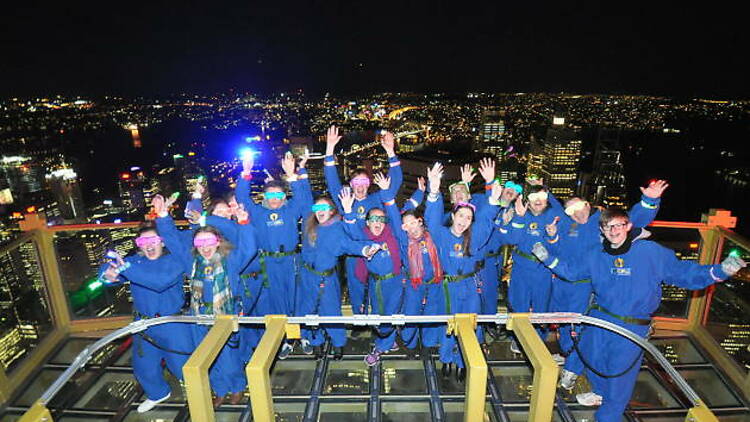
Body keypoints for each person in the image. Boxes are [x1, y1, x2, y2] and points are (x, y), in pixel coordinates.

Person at [531, 208, 746, 422]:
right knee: (592, 358)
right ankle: (600, 392)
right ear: (602, 230)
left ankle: (608, 416)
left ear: (628, 226)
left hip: (631, 325)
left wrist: (720, 271)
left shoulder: (650, 252)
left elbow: (684, 274)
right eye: (608, 226)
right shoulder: (596, 254)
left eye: (618, 225)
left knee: (620, 376)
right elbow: (572, 271)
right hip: (600, 318)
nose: (613, 230)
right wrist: (547, 258)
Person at [549, 180, 668, 388]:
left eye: (578, 207)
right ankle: (569, 357)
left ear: (587, 204)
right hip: (567, 281)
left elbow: (636, 218)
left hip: (591, 286)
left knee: (584, 330)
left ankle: (574, 370)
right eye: (570, 211)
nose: (575, 213)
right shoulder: (570, 224)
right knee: (567, 323)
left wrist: (650, 199)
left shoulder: (603, 222)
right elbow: (558, 218)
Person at [154, 195, 257, 408]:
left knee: (229, 356)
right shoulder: (191, 262)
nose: (205, 247)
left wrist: (245, 223)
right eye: (200, 243)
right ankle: (219, 389)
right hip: (199, 316)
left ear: (218, 242)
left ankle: (237, 386)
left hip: (225, 315)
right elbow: (172, 240)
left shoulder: (230, 260)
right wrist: (163, 216)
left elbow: (249, 249)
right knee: (209, 356)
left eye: (209, 242)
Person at [99, 224, 193, 413]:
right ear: (138, 244)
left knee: (183, 364)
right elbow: (108, 270)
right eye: (143, 242)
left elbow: (159, 282)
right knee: (144, 365)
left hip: (171, 323)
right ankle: (157, 393)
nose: (149, 245)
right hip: (143, 324)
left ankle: (198, 392)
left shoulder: (174, 261)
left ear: (162, 242)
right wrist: (107, 274)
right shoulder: (135, 262)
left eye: (153, 240)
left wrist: (125, 268)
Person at [424, 162, 502, 380]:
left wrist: (492, 193)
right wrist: (433, 190)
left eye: (468, 218)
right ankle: (447, 359)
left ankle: (462, 361)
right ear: (454, 215)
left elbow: (486, 220)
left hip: (469, 287)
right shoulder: (441, 234)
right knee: (448, 324)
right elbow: (430, 219)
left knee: (469, 324)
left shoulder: (474, 238)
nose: (463, 221)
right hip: (447, 287)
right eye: (461, 216)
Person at [234, 151, 313, 358]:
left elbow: (304, 203)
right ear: (265, 197)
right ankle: (286, 338)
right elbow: (242, 198)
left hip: (292, 260)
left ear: (284, 196)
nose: (275, 200)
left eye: (279, 195)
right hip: (269, 262)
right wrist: (246, 173)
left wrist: (291, 175)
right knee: (277, 301)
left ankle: (302, 335)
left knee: (298, 298)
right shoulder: (258, 213)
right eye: (271, 196)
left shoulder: (290, 210)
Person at [324, 126, 403, 318]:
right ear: (350, 185)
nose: (360, 187)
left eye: (364, 183)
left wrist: (391, 152)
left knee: (379, 287)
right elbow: (331, 180)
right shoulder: (344, 199)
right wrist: (329, 149)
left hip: (377, 249)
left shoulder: (376, 200)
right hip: (353, 253)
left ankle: (380, 321)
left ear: (369, 185)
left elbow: (395, 183)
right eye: (356, 183)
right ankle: (360, 318)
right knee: (356, 286)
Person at [297, 195, 382, 359]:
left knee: (331, 311)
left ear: (332, 211)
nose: (320, 212)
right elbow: (303, 193)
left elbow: (350, 244)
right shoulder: (310, 226)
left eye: (324, 208)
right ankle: (317, 342)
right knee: (309, 311)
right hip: (308, 276)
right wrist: (298, 174)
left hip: (326, 279)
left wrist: (366, 249)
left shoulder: (337, 229)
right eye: (316, 209)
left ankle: (338, 344)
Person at [376, 174, 445, 357]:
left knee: (432, 314)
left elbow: (434, 213)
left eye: (413, 222)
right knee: (411, 314)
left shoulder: (433, 235)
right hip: (414, 284)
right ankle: (410, 343)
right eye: (406, 225)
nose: (411, 227)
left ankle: (429, 345)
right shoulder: (404, 241)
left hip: (435, 283)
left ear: (421, 221)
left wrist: (434, 192)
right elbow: (392, 215)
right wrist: (385, 192)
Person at [342, 183, 406, 366]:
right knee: (378, 314)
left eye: (381, 219)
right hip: (376, 284)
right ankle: (386, 340)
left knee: (393, 312)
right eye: (373, 219)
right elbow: (352, 232)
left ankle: (380, 347)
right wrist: (348, 211)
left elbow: (394, 213)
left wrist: (386, 192)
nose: (377, 223)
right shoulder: (364, 236)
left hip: (395, 282)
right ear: (367, 222)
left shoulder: (393, 235)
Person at [502, 179, 565, 352]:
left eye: (542, 197)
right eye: (534, 197)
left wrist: (553, 237)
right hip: (522, 267)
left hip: (542, 269)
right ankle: (517, 337)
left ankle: (539, 339)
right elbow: (510, 239)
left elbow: (558, 249)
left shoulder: (553, 216)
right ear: (527, 200)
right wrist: (517, 218)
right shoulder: (520, 212)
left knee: (541, 305)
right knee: (518, 304)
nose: (538, 201)